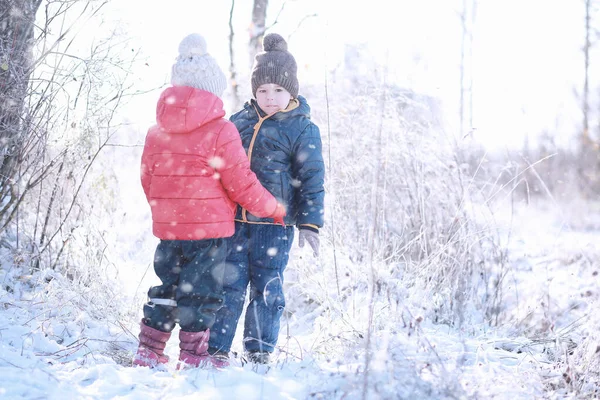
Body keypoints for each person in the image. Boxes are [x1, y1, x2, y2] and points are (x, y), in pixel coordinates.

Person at [133, 33, 286, 370]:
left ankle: (149, 349)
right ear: (212, 89)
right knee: (200, 291)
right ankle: (193, 356)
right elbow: (241, 184)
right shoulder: (221, 130)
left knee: (166, 285)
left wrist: (166, 209)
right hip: (209, 231)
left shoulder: (155, 132)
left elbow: (148, 179)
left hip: (170, 227)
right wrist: (273, 208)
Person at [208, 33, 325, 364]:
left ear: (292, 91)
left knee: (266, 289)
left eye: (278, 90)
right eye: (262, 90)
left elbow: (312, 178)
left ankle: (258, 352)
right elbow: (220, 168)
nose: (269, 97)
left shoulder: (302, 128)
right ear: (253, 90)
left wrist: (310, 223)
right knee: (226, 287)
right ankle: (216, 350)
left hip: (275, 225)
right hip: (233, 223)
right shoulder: (238, 121)